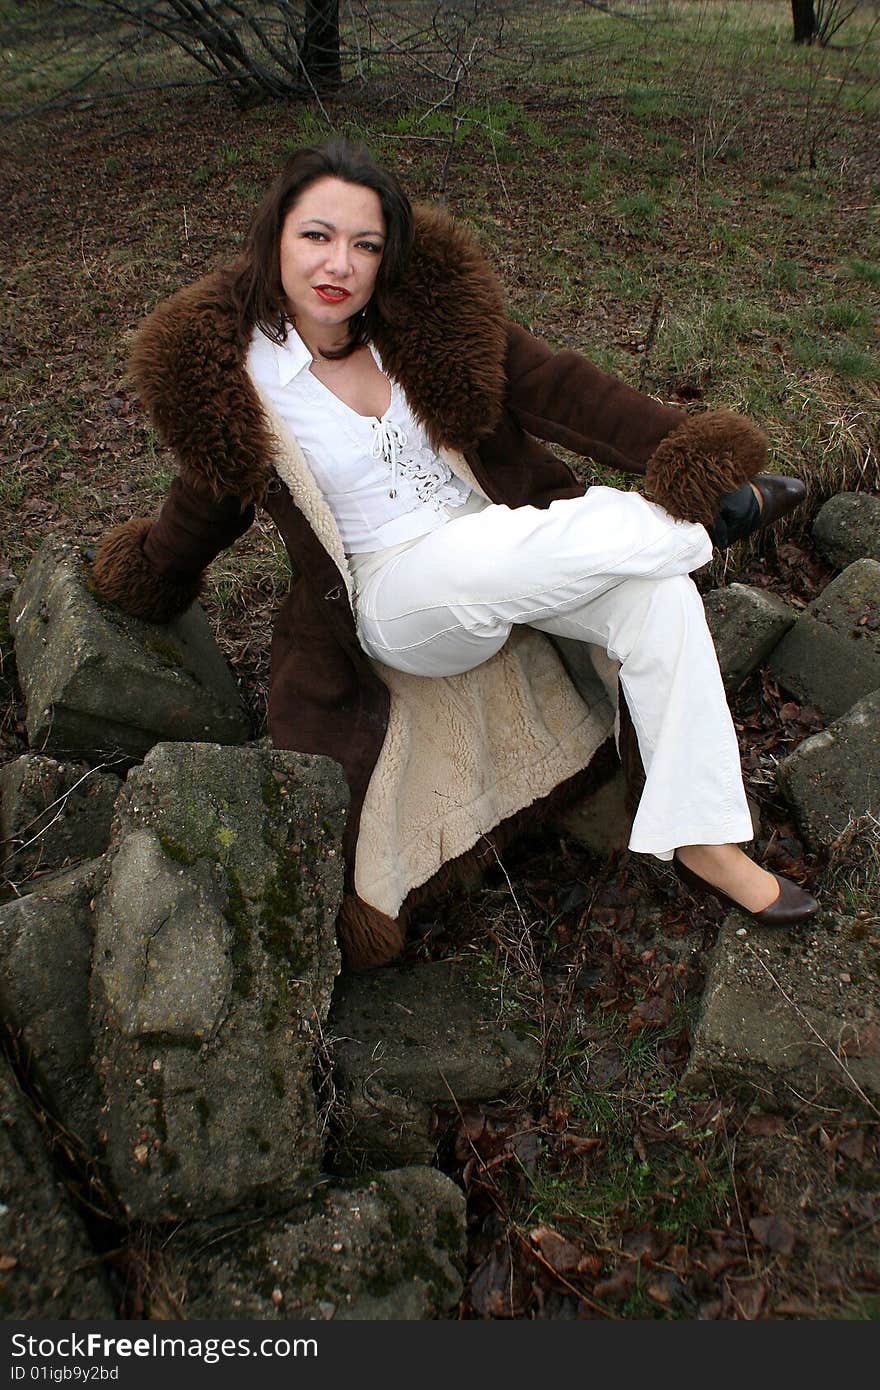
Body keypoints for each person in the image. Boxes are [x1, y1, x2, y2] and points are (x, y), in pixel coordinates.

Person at [91, 137, 818, 969]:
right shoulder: (235, 378)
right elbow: (199, 512)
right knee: (510, 551)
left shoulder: (421, 322)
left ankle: (705, 839)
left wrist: (679, 444)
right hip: (401, 595)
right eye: (317, 236)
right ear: (275, 237)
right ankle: (698, 526)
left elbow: (562, 389)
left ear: (388, 255)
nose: (341, 264)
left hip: (513, 545)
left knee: (660, 601)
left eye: (366, 245)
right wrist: (148, 573)